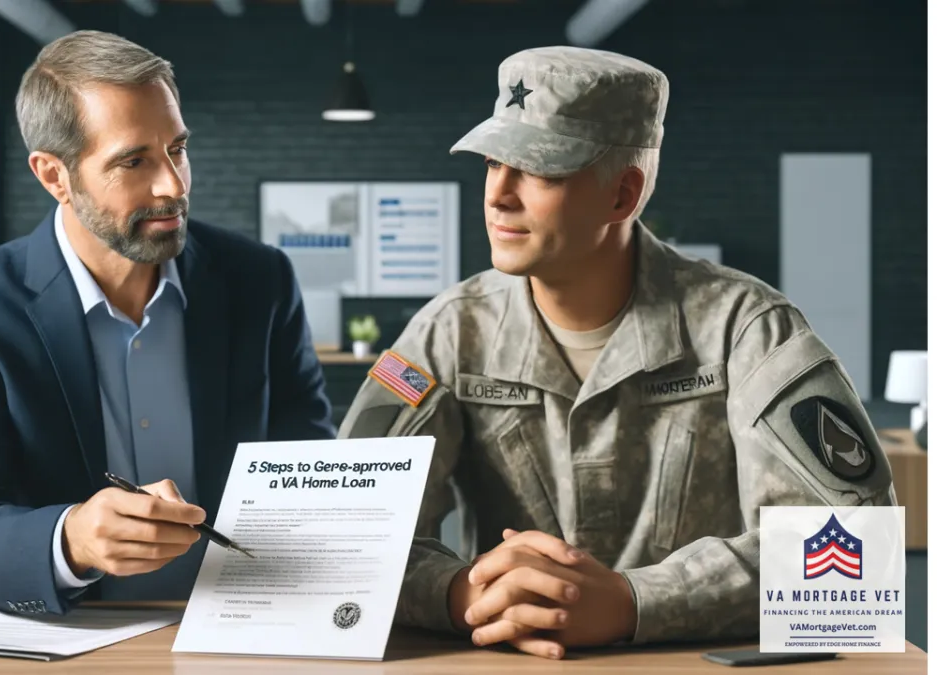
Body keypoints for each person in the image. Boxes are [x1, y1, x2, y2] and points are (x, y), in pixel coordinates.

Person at [338, 46, 897, 659]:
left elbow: (857, 556)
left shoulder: (746, 328)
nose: (498, 195)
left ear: (622, 196)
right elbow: (346, 531)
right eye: (494, 162)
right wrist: (462, 595)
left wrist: (637, 602)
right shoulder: (448, 332)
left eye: (539, 170)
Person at [0, 30, 334, 616]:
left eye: (178, 149)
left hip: (254, 621)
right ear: (54, 176)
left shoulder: (260, 281)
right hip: (82, 635)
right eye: (133, 161)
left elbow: (316, 469)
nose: (172, 185)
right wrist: (74, 539)